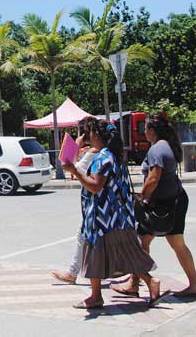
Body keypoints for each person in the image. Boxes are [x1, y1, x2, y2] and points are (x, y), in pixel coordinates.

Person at [63, 118, 162, 310]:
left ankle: (96, 296)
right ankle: (150, 282)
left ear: (98, 135)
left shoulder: (104, 157)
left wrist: (74, 169)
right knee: (125, 253)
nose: (89, 136)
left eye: (91, 133)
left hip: (103, 218)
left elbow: (95, 186)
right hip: (117, 216)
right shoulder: (114, 155)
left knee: (95, 254)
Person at [112, 115, 196, 299]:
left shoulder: (157, 149)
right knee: (169, 243)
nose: (144, 132)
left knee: (141, 242)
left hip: (164, 205)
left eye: (145, 129)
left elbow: (153, 178)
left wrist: (142, 198)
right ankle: (193, 284)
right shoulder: (165, 146)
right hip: (174, 201)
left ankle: (136, 283)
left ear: (152, 131)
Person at [52, 118, 99, 284]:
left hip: (96, 202)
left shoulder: (94, 152)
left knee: (85, 235)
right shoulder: (104, 150)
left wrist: (75, 146)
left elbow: (72, 167)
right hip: (103, 201)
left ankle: (73, 273)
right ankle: (137, 275)